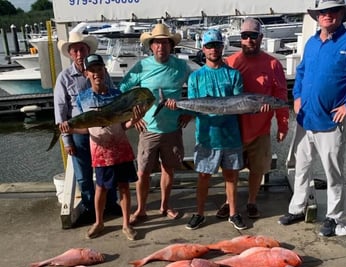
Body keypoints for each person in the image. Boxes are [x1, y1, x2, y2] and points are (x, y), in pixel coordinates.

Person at [278, 0, 346, 237]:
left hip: (331, 122)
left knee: (333, 172)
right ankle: (297, 208)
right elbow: (301, 72)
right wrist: (297, 94)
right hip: (305, 119)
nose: (327, 15)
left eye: (333, 11)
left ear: (341, 14)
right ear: (317, 16)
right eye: (323, 12)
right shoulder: (312, 42)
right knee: (301, 167)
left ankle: (334, 217)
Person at [60, 54, 144, 240]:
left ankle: (126, 224)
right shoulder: (82, 99)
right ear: (87, 74)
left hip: (121, 147)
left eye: (99, 69)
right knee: (101, 188)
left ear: (104, 71)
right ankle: (99, 222)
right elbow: (85, 130)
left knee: (123, 187)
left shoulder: (118, 96)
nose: (96, 73)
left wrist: (134, 120)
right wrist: (70, 129)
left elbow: (124, 125)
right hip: (100, 151)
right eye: (92, 70)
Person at [119, 23, 192, 225]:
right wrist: (134, 118)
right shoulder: (142, 67)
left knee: (169, 169)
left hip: (173, 129)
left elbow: (196, 88)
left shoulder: (181, 66)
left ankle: (165, 205)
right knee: (142, 172)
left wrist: (188, 112)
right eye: (157, 43)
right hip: (148, 129)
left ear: (171, 45)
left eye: (165, 43)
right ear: (151, 46)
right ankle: (141, 209)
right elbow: (123, 90)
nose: (161, 46)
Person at [216, 17, 289, 220]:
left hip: (260, 129)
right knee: (231, 169)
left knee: (257, 169)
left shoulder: (273, 63)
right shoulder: (231, 62)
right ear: (241, 38)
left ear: (261, 38)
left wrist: (283, 125)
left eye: (253, 36)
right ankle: (229, 202)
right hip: (233, 129)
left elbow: (281, 97)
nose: (249, 40)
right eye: (245, 36)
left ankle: (251, 201)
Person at [55, 32, 121, 224]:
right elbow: (61, 109)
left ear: (88, 50)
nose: (79, 53)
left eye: (82, 49)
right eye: (74, 50)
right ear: (70, 54)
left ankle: (110, 203)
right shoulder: (64, 77)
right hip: (79, 134)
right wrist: (66, 139)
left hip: (102, 131)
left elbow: (113, 96)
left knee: (109, 169)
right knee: (83, 175)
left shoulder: (103, 73)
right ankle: (90, 207)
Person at [184, 28, 246, 231]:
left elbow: (240, 102)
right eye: (209, 46)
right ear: (203, 48)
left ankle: (233, 212)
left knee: (231, 176)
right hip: (206, 137)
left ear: (222, 47)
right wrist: (177, 107)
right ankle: (199, 213)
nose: (213, 49)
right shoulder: (196, 77)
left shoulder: (233, 74)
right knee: (203, 177)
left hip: (230, 135)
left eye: (216, 45)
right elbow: (193, 104)